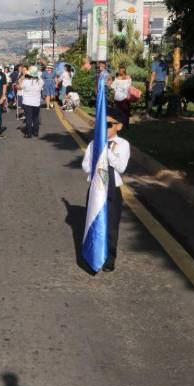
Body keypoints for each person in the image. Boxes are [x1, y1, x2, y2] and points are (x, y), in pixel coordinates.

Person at [81, 108, 130, 272]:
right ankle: (93, 254)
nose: (104, 128)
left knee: (111, 225)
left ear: (119, 126)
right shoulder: (93, 143)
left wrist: (106, 151)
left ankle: (109, 257)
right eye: (102, 124)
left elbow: (121, 167)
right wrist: (95, 165)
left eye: (109, 124)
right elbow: (85, 165)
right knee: (93, 221)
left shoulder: (123, 144)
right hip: (96, 188)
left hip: (112, 190)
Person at [20, 65, 43, 138]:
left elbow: (19, 87)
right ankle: (36, 132)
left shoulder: (26, 82)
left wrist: (23, 77)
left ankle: (29, 133)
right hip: (36, 102)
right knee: (35, 118)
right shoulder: (40, 81)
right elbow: (39, 79)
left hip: (27, 102)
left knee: (28, 118)